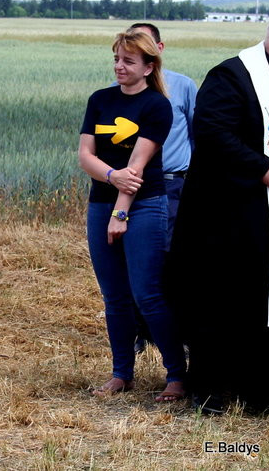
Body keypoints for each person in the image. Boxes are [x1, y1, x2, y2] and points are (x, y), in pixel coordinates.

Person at [167, 19, 269, 414]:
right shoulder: (232, 75)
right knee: (224, 303)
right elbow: (212, 131)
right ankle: (211, 391)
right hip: (230, 217)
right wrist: (263, 167)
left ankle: (263, 392)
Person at [79, 31, 186, 402]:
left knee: (148, 295)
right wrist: (110, 176)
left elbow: (137, 169)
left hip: (144, 205)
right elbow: (85, 157)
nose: (119, 67)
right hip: (100, 204)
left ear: (148, 66)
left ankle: (176, 375)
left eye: (128, 61)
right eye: (116, 59)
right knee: (114, 297)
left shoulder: (157, 106)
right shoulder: (100, 100)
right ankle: (121, 373)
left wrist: (120, 212)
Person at [124, 23, 197, 353]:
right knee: (136, 258)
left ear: (158, 50)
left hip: (173, 186)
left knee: (172, 257)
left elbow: (199, 135)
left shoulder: (183, 86)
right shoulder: (118, 90)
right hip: (132, 185)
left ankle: (174, 331)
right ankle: (140, 331)